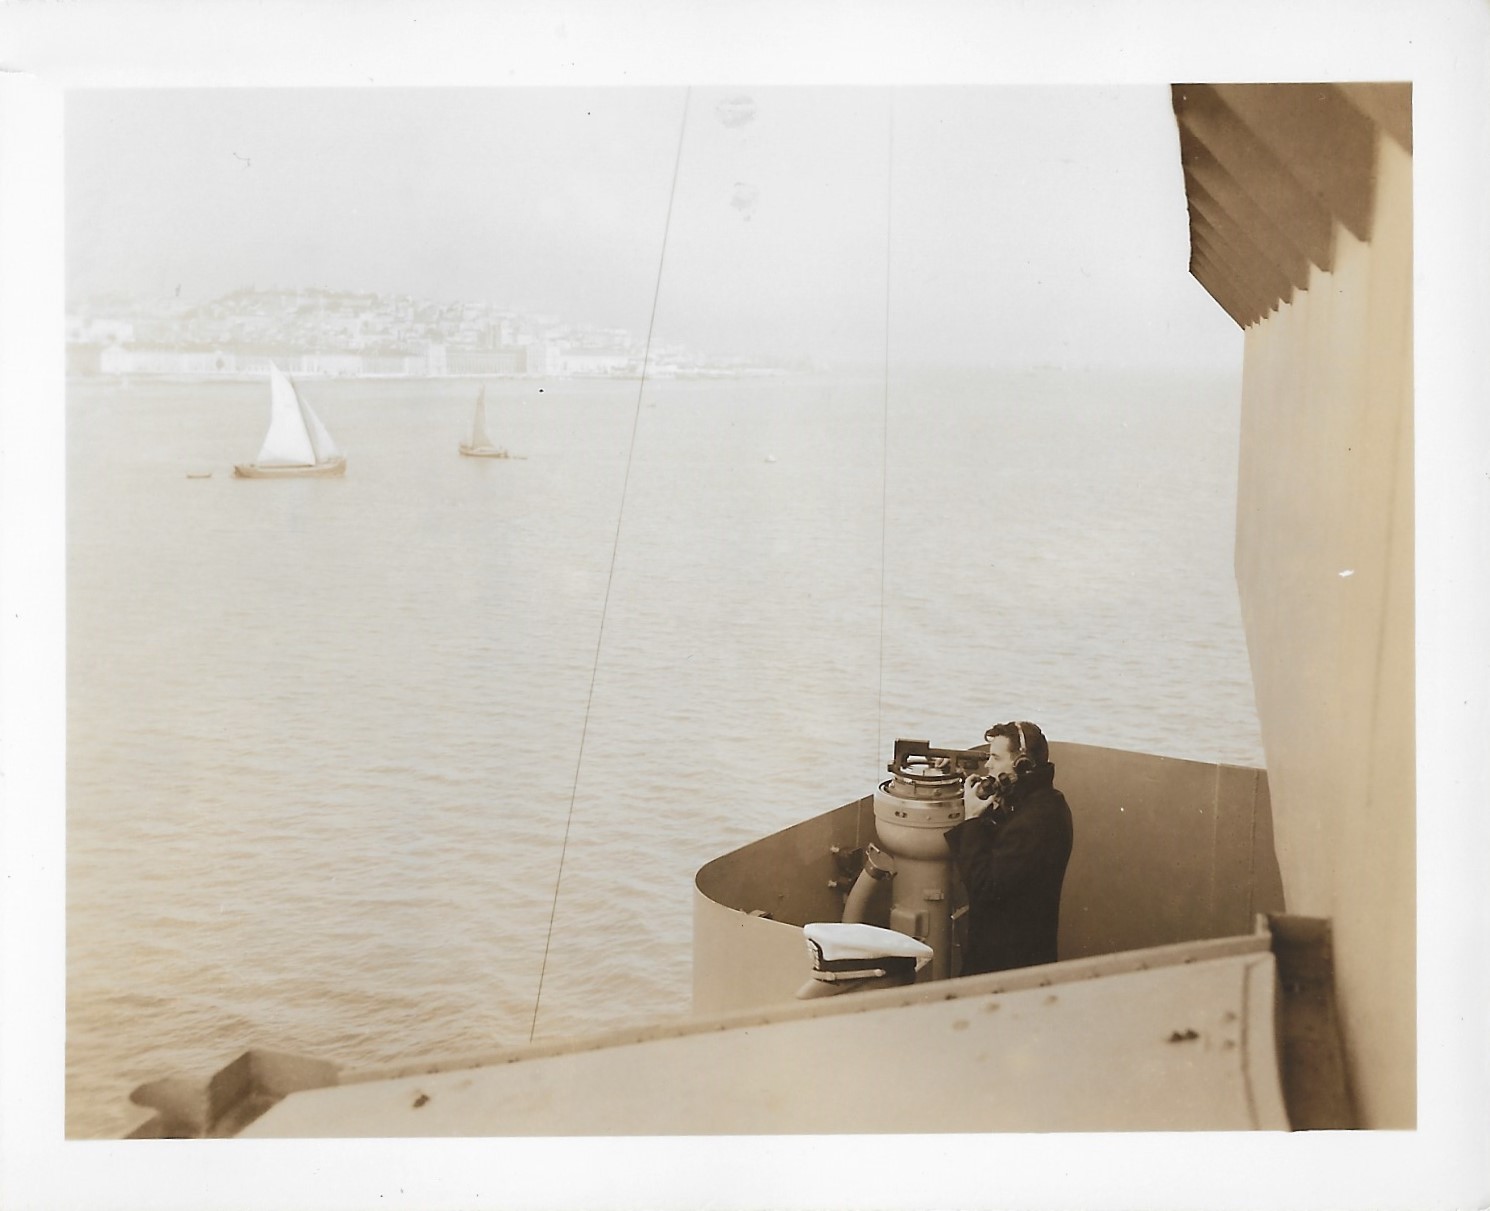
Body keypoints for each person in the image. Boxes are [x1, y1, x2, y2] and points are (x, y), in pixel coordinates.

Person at [943, 720, 1073, 976]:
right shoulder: (1043, 803)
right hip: (1018, 950)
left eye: (995, 758)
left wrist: (972, 819)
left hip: (1007, 961)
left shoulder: (1035, 822)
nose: (988, 765)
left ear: (1022, 764)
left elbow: (985, 886)